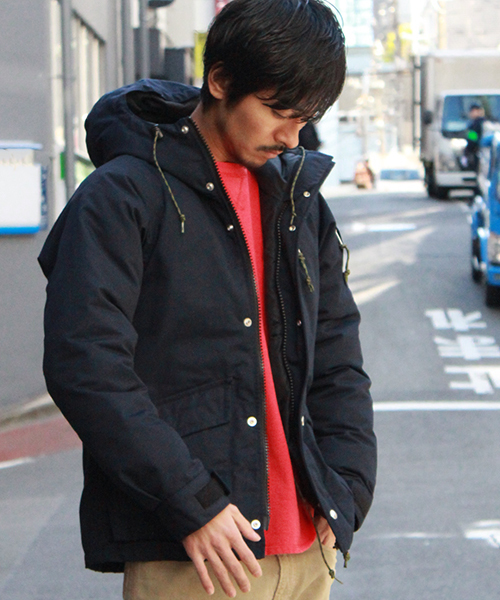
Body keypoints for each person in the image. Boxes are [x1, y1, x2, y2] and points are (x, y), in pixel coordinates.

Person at [38, 1, 376, 599]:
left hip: (308, 549)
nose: (291, 136)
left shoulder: (299, 201)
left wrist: (348, 484)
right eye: (277, 111)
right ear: (220, 80)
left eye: (306, 118)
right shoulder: (122, 196)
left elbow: (336, 351)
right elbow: (86, 364)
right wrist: (190, 500)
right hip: (196, 553)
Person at [462, 102, 486, 172]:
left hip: (477, 152)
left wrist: (466, 153)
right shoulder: (484, 122)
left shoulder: (475, 124)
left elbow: (472, 140)